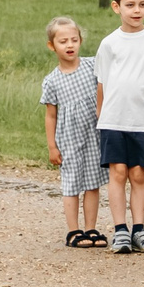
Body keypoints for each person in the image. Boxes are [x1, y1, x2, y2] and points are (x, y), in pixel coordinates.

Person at [94, 0, 144, 254]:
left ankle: (139, 229)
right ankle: (120, 230)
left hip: (141, 120)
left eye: (142, 4)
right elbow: (102, 82)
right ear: (117, 7)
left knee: (138, 174)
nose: (136, 11)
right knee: (118, 173)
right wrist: (101, 116)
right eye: (130, 5)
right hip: (113, 119)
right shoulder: (109, 43)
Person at [40, 16, 106, 247]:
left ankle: (91, 228)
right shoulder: (52, 80)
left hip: (93, 136)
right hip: (68, 139)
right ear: (52, 45)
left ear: (80, 41)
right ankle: (74, 230)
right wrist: (52, 146)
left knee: (92, 182)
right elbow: (51, 115)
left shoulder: (92, 66)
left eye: (74, 40)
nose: (69, 45)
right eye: (63, 41)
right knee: (71, 184)